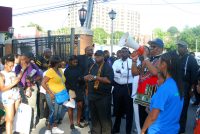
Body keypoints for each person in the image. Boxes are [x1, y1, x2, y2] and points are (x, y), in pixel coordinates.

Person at [141, 51, 184, 134]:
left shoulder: (165, 88)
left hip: (159, 131)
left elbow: (153, 117)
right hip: (173, 129)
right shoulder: (177, 85)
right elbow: (169, 110)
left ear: (164, 64)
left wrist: (142, 131)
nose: (157, 64)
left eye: (159, 61)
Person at [132, 38, 164, 128]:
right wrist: (134, 61)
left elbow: (154, 72)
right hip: (142, 91)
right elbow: (135, 73)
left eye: (153, 46)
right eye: (150, 46)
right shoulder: (148, 59)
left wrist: (146, 58)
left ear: (160, 48)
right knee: (142, 120)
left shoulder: (162, 59)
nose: (151, 48)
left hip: (152, 91)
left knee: (151, 120)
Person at [84, 50, 114, 134]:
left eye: (99, 56)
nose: (96, 57)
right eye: (95, 56)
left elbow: (108, 80)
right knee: (94, 117)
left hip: (103, 97)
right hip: (92, 96)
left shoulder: (107, 67)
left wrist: (95, 77)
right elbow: (87, 76)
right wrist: (85, 78)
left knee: (104, 118)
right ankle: (95, 132)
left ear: (103, 57)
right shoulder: (92, 66)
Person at [176, 41, 199, 134]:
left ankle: (181, 130)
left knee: (183, 109)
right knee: (176, 107)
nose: (179, 48)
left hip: (185, 87)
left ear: (186, 48)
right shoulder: (178, 58)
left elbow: (195, 76)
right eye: (178, 47)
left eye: (181, 47)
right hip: (176, 87)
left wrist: (192, 89)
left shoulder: (191, 59)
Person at [15, 52, 42, 131]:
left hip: (32, 88)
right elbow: (17, 78)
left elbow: (40, 76)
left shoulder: (33, 66)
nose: (22, 61)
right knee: (23, 106)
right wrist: (23, 69)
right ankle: (24, 124)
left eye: (24, 59)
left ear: (29, 59)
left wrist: (33, 80)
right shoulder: (18, 67)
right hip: (21, 89)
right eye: (21, 59)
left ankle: (32, 124)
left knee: (32, 106)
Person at [0, 54, 24, 134]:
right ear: (5, 63)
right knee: (9, 119)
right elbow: (2, 88)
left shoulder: (13, 72)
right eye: (10, 64)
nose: (12, 65)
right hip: (8, 98)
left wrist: (22, 70)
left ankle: (4, 118)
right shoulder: (1, 74)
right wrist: (14, 83)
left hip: (16, 96)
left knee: (13, 117)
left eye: (13, 63)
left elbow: (17, 81)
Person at [112, 47, 134, 134]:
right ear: (120, 53)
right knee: (117, 109)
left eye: (125, 52)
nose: (123, 53)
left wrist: (120, 72)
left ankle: (128, 130)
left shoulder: (132, 62)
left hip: (128, 87)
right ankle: (116, 128)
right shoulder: (116, 62)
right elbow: (113, 73)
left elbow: (132, 73)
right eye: (122, 52)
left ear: (128, 53)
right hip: (117, 87)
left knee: (129, 110)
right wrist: (123, 73)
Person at [41, 55, 65, 134]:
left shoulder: (60, 70)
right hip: (52, 95)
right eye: (60, 62)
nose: (62, 63)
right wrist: (50, 93)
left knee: (58, 112)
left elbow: (62, 81)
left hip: (60, 95)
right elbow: (43, 83)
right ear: (56, 63)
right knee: (53, 111)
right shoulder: (50, 71)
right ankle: (48, 129)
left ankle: (54, 127)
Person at [64, 55, 85, 130]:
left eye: (76, 60)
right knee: (71, 107)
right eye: (74, 60)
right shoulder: (67, 70)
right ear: (70, 61)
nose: (76, 61)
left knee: (80, 106)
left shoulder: (80, 68)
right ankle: (71, 123)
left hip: (79, 90)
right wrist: (69, 89)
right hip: (71, 90)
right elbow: (65, 81)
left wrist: (81, 80)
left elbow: (83, 78)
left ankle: (78, 122)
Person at [78, 45, 95, 126]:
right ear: (85, 51)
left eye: (92, 50)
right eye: (89, 50)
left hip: (89, 84)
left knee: (87, 102)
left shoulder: (93, 60)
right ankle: (81, 117)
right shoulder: (80, 58)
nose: (91, 51)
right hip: (80, 83)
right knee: (81, 102)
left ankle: (86, 117)